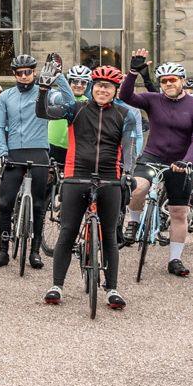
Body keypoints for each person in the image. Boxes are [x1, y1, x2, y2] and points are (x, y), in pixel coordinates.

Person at [39, 65, 130, 308]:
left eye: (108, 86)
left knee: (109, 234)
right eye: (99, 85)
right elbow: (44, 112)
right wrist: (43, 90)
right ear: (92, 88)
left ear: (115, 90)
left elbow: (130, 147)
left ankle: (112, 288)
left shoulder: (123, 114)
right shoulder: (76, 109)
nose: (102, 89)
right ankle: (56, 285)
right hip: (76, 176)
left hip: (110, 178)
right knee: (68, 230)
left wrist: (128, 173)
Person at [118, 53, 193, 277]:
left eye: (173, 80)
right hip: (152, 156)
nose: (169, 84)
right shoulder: (153, 100)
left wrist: (186, 162)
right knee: (138, 187)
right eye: (164, 81)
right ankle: (134, 221)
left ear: (182, 81)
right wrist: (132, 73)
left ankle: (175, 259)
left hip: (180, 162)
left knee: (178, 212)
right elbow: (125, 95)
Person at [0, 54, 54, 269]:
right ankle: (3, 250)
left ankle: (35, 251)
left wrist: (57, 76)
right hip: (14, 152)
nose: (24, 76)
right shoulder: (6, 96)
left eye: (28, 72)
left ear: (34, 72)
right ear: (14, 74)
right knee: (5, 203)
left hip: (39, 150)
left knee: (39, 203)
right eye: (20, 73)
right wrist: (4, 151)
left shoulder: (45, 92)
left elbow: (65, 101)